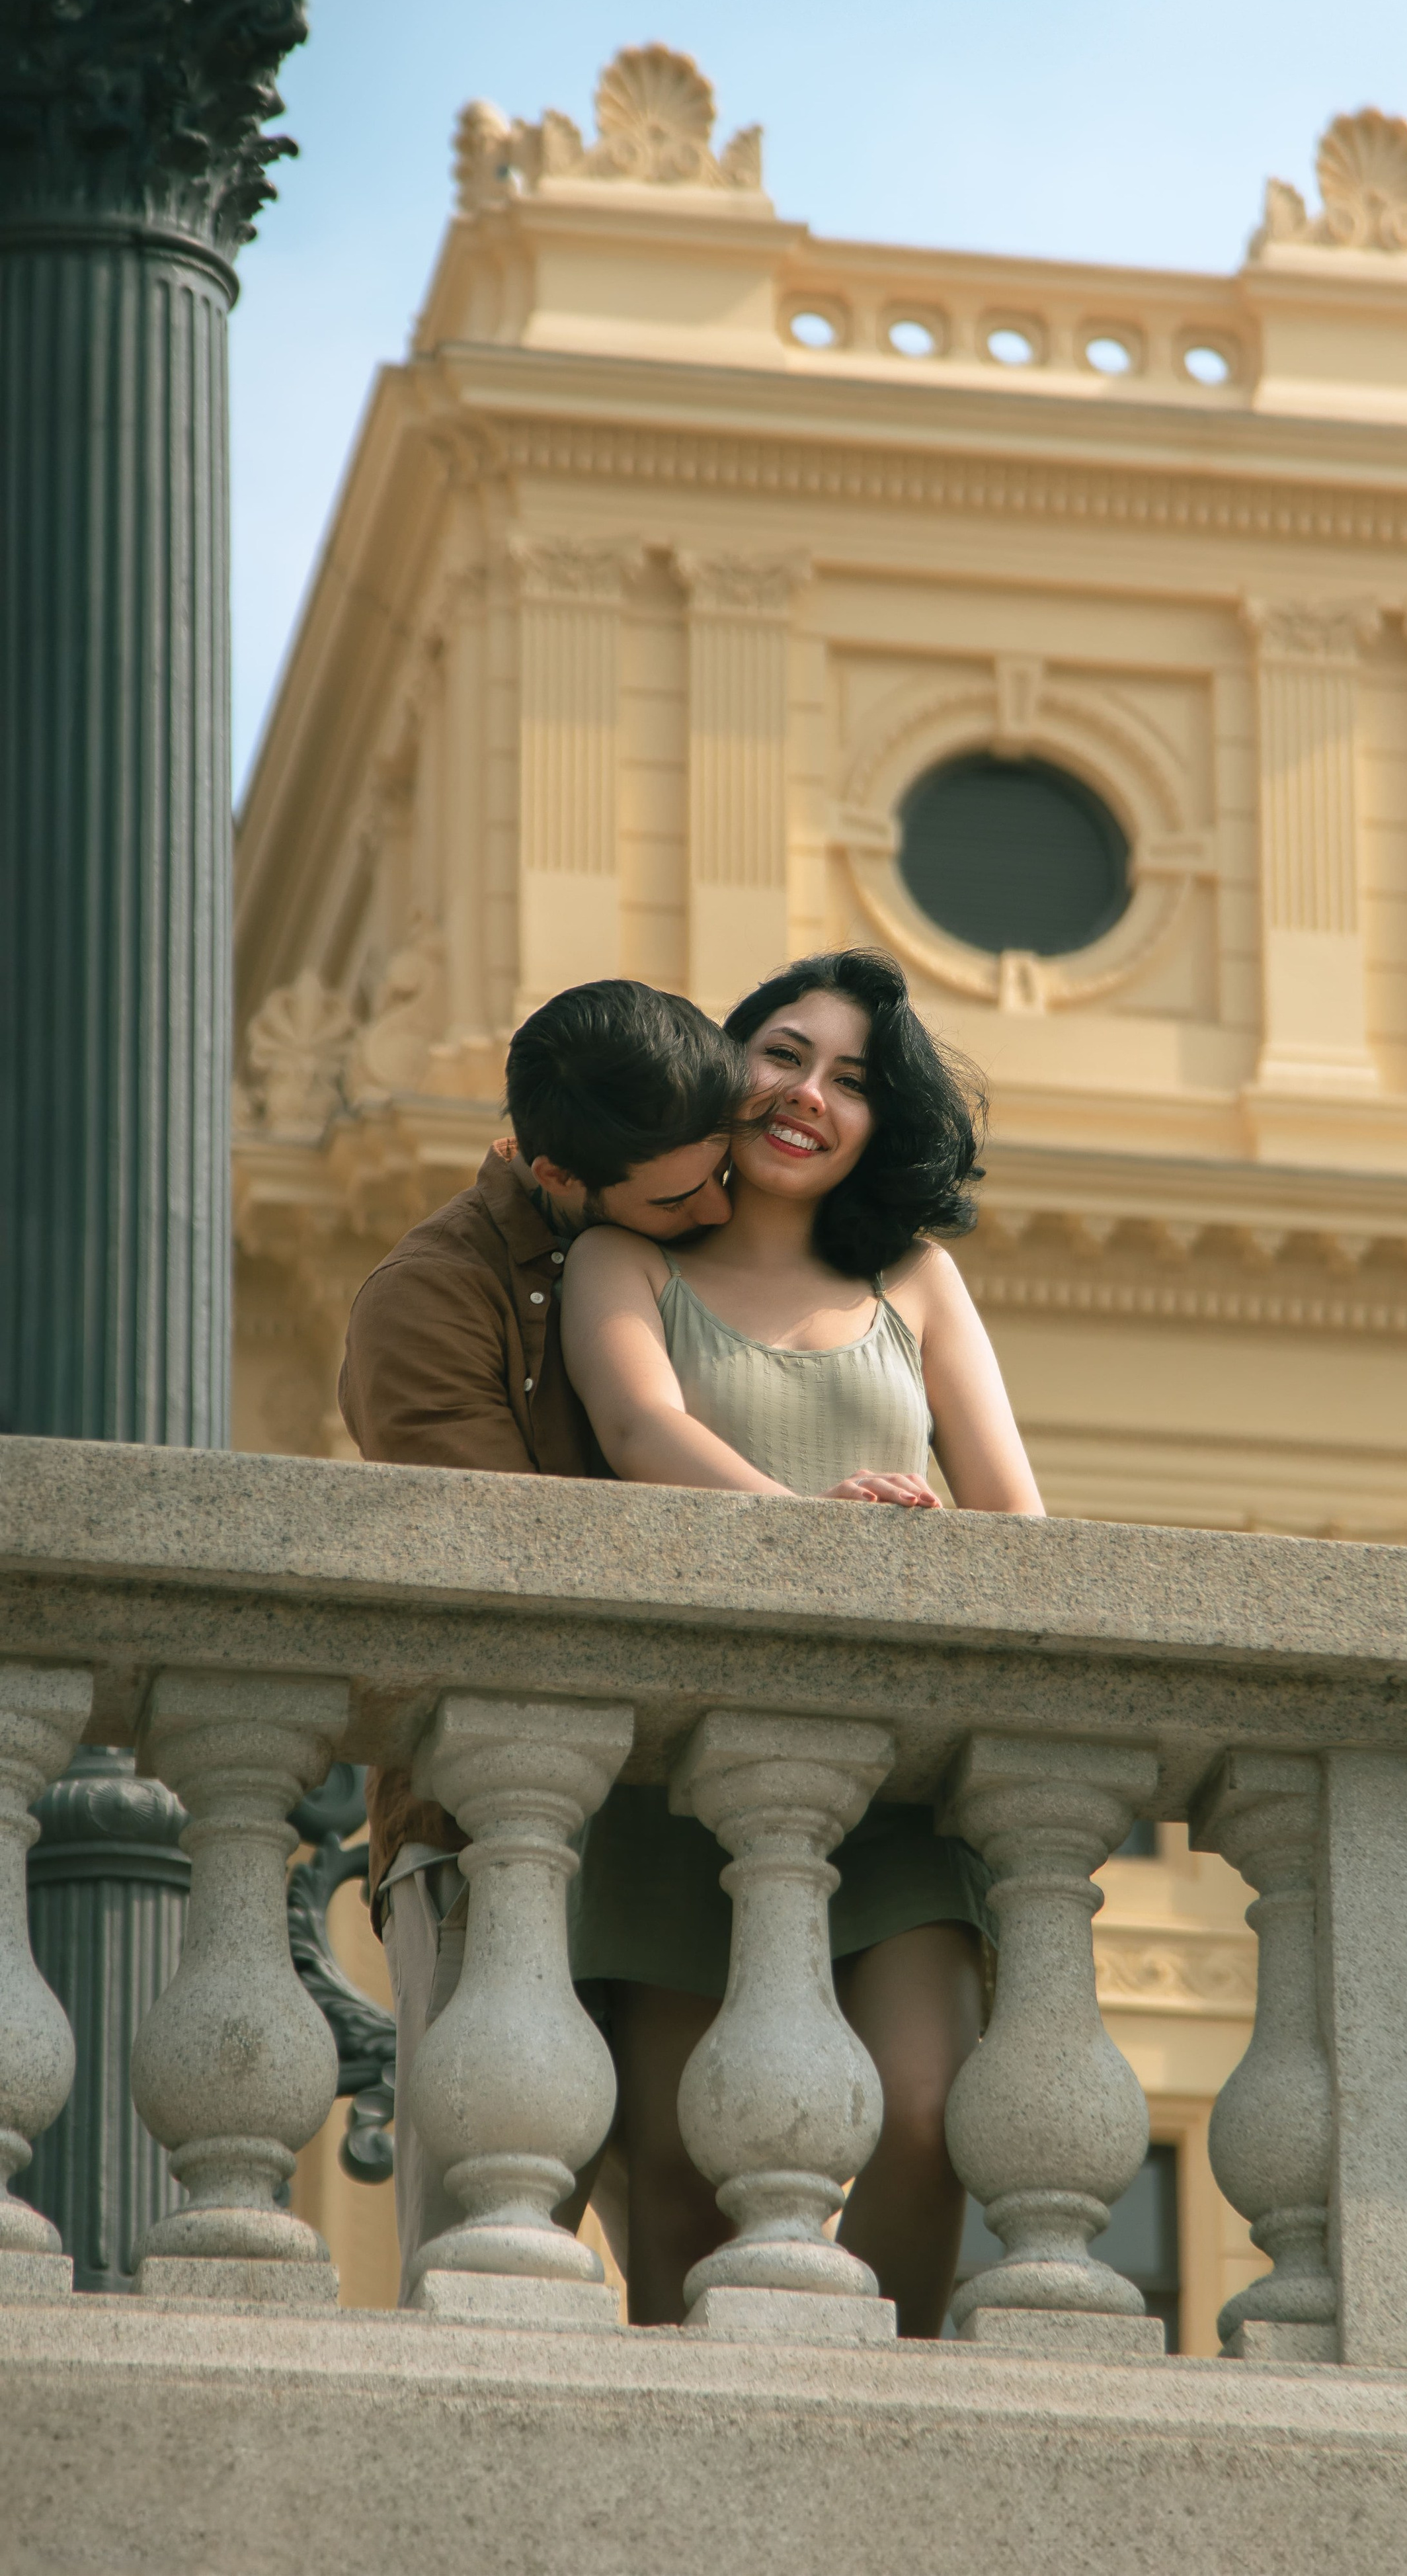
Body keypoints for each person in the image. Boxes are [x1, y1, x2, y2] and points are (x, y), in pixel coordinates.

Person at [563, 948, 1045, 2335]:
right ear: (726, 1065)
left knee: (922, 2112)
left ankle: (868, 2430)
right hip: (675, 1779)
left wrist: (916, 1532)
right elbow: (640, 1430)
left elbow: (1016, 1522)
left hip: (895, 1788)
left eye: (849, 1078)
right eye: (782, 1052)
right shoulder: (624, 1255)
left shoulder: (916, 1279)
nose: (806, 1094)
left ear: (880, 1121)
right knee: (676, 2189)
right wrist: (806, 1530)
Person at [337, 977, 748, 2283]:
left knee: (715, 2267)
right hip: (497, 1825)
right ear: (561, 1172)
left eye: (723, 1171)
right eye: (680, 1199)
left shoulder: (724, 1249)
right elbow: (502, 1576)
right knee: (488, 2256)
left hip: (693, 1827)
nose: (719, 1211)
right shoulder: (431, 1298)